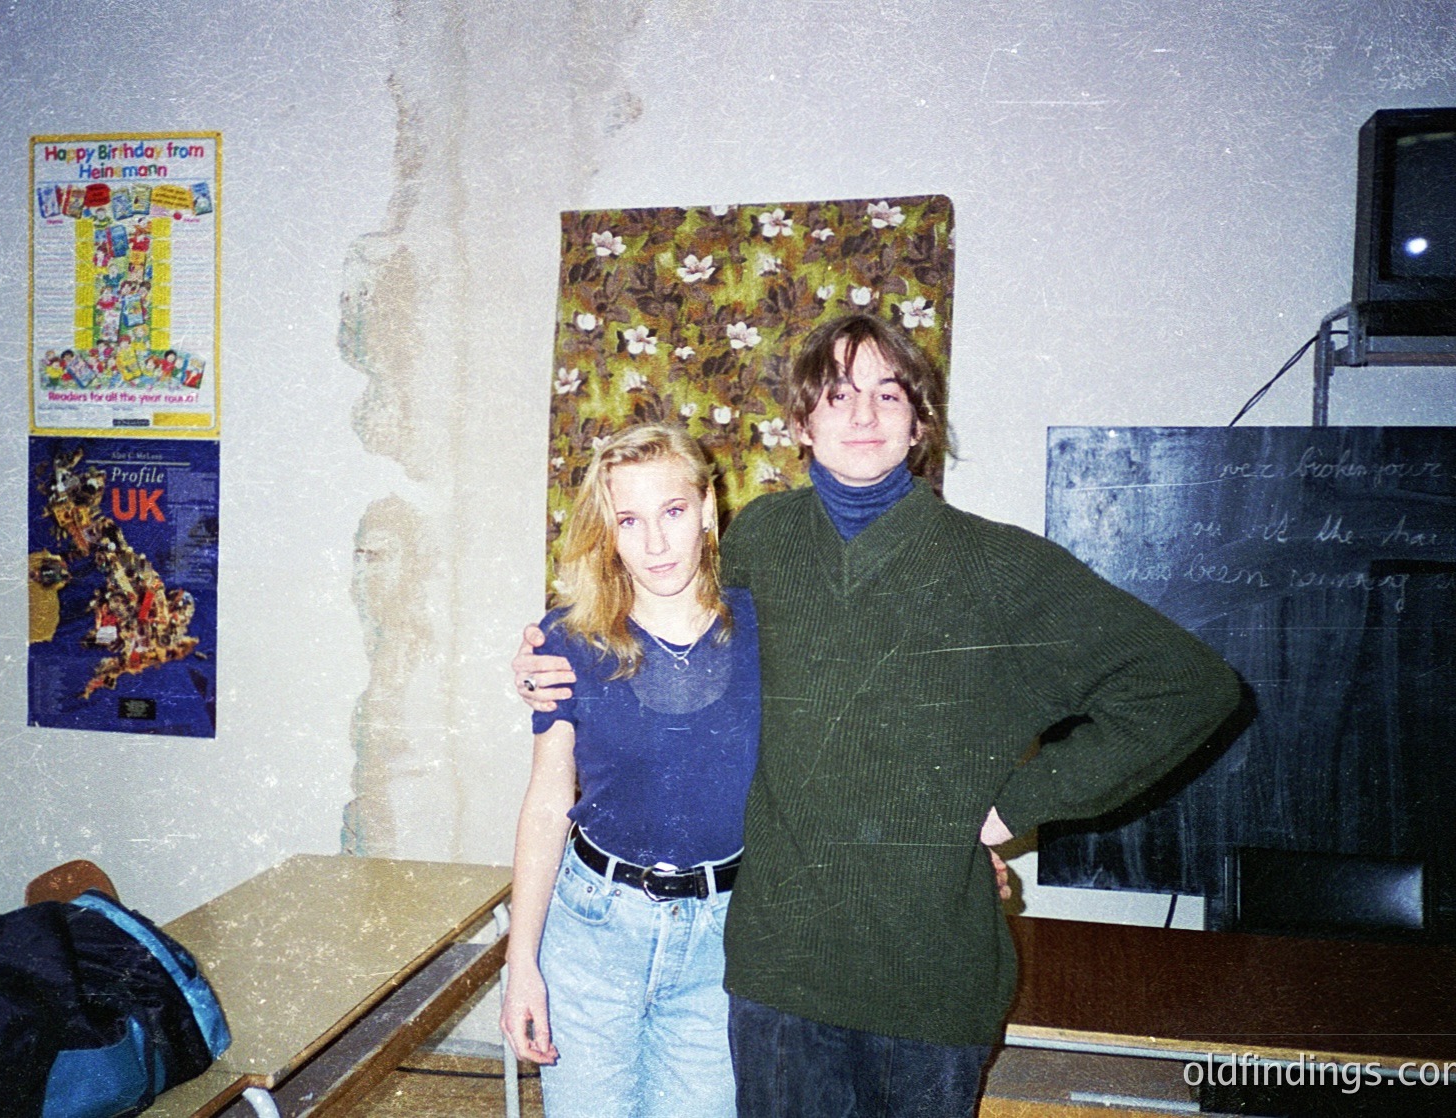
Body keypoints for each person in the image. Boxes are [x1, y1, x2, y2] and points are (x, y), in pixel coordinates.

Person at [515, 313, 1241, 1118]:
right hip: (777, 980)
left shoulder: (1000, 567)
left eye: (887, 394)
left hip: (925, 984)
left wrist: (1014, 808)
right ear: (802, 423)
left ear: (920, 422)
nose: (862, 414)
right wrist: (546, 655)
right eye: (836, 394)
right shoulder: (763, 540)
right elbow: (658, 604)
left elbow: (1187, 686)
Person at [500, 424, 760, 1118]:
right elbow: (547, 801)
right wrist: (521, 963)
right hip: (593, 930)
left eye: (672, 511)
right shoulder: (568, 640)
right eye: (629, 521)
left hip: (723, 940)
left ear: (707, 509)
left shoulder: (767, 629)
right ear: (608, 533)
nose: (655, 543)